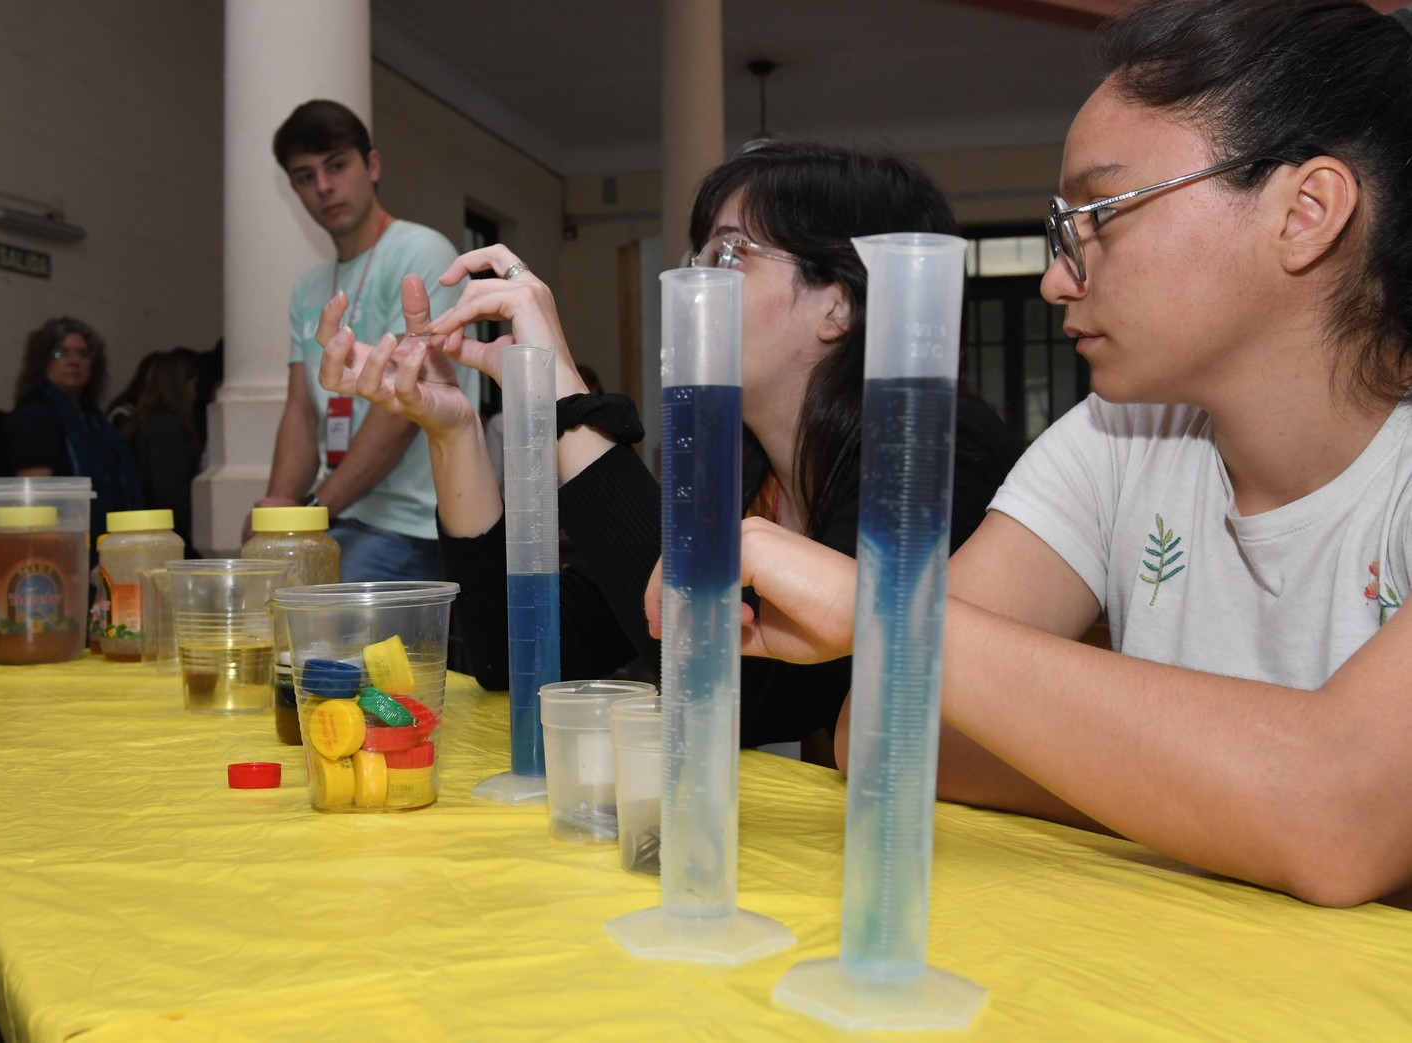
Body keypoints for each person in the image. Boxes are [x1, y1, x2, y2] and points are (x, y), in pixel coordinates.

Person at [686, 0, 1412, 907]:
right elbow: (883, 729)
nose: (1054, 277)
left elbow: (1339, 814)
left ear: (1304, 212)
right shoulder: (1114, 439)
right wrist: (1228, 797)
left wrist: (885, 614)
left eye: (1099, 215)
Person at [316, 141, 1023, 755]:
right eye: (698, 256)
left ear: (835, 304)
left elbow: (747, 695)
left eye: (729, 254)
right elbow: (517, 651)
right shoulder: (739, 473)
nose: (697, 284)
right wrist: (453, 431)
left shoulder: (939, 450)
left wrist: (565, 397)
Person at [255, 99, 480, 580]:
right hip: (344, 516)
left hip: (418, 523)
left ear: (372, 166)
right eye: (305, 176)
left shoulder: (421, 251)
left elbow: (402, 410)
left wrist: (313, 511)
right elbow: (301, 412)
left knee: (317, 610)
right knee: (260, 582)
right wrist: (276, 516)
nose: (323, 186)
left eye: (336, 166)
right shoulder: (309, 288)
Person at [7, 317, 144, 549]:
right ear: (43, 361)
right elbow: (36, 497)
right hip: (62, 546)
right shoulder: (36, 414)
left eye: (83, 354)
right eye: (61, 353)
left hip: (107, 543)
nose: (74, 361)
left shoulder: (94, 418)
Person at [122, 349, 203, 551]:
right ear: (180, 387)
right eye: (193, 385)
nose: (195, 394)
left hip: (145, 528)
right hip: (165, 533)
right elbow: (170, 491)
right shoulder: (168, 428)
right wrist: (188, 529)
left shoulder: (142, 423)